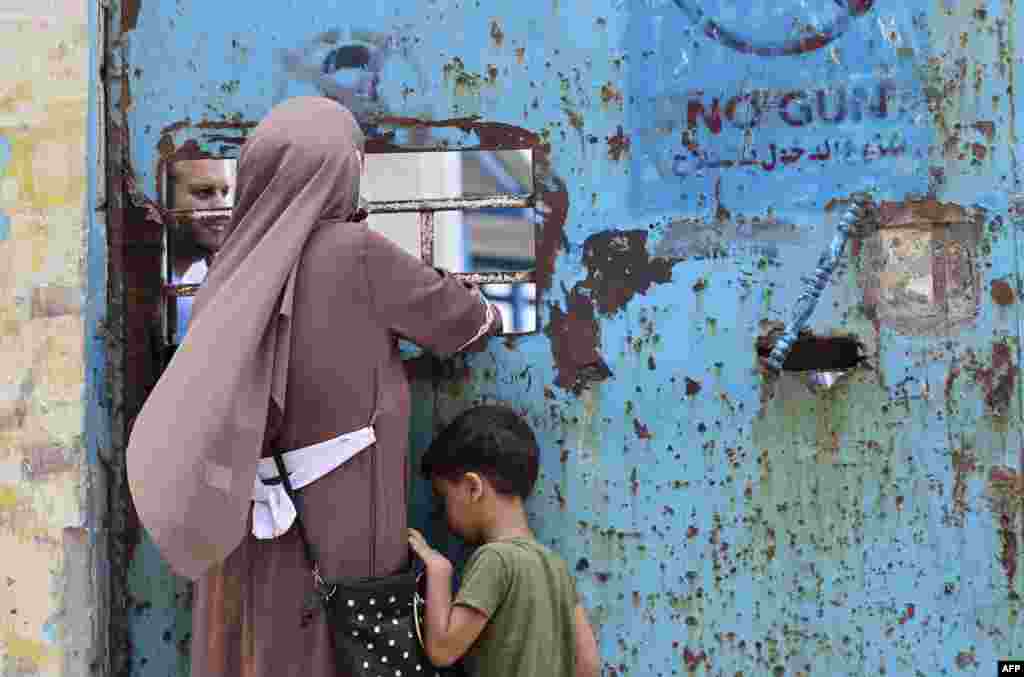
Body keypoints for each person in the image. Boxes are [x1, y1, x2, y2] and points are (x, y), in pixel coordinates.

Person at [125, 96, 502, 677]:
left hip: (245, 518)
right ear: (341, 171)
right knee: (335, 645)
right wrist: (487, 307)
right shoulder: (355, 252)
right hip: (342, 518)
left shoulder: (228, 269)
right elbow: (461, 323)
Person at [407, 405, 602, 677]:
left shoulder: (495, 560)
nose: (442, 515)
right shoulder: (554, 565)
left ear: (473, 487)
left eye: (444, 499)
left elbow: (442, 650)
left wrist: (439, 570)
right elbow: (589, 665)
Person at [165, 159, 236, 339]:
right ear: (165, 196)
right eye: (204, 193)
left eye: (225, 192)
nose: (224, 210)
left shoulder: (205, 279)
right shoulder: (147, 292)